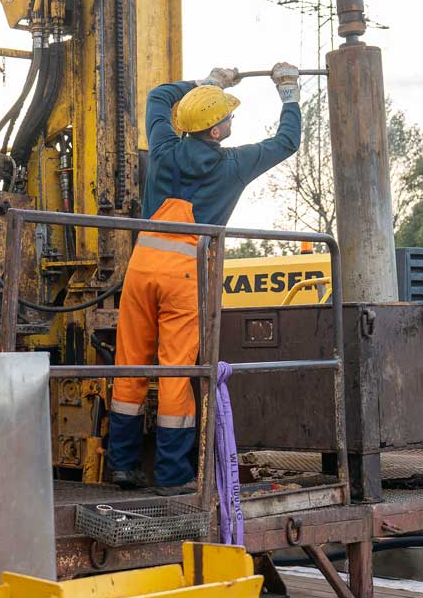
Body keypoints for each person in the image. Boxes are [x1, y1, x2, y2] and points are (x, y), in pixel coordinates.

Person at [107, 62, 303, 489]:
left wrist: (206, 84)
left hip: (140, 269)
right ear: (215, 131)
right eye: (227, 116)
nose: (232, 120)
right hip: (184, 276)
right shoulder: (234, 165)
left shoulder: (163, 147)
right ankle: (172, 475)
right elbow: (287, 141)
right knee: (176, 372)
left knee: (130, 365)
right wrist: (288, 91)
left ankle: (121, 465)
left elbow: (159, 96)